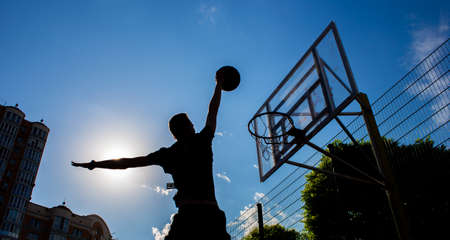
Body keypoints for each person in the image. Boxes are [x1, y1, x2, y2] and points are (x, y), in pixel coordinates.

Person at [72, 77, 231, 239]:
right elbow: (213, 111)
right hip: (211, 214)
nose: (194, 126)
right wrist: (218, 85)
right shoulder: (202, 141)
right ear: (186, 128)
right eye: (191, 124)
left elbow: (128, 162)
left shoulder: (168, 154)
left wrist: (95, 164)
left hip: (188, 215)